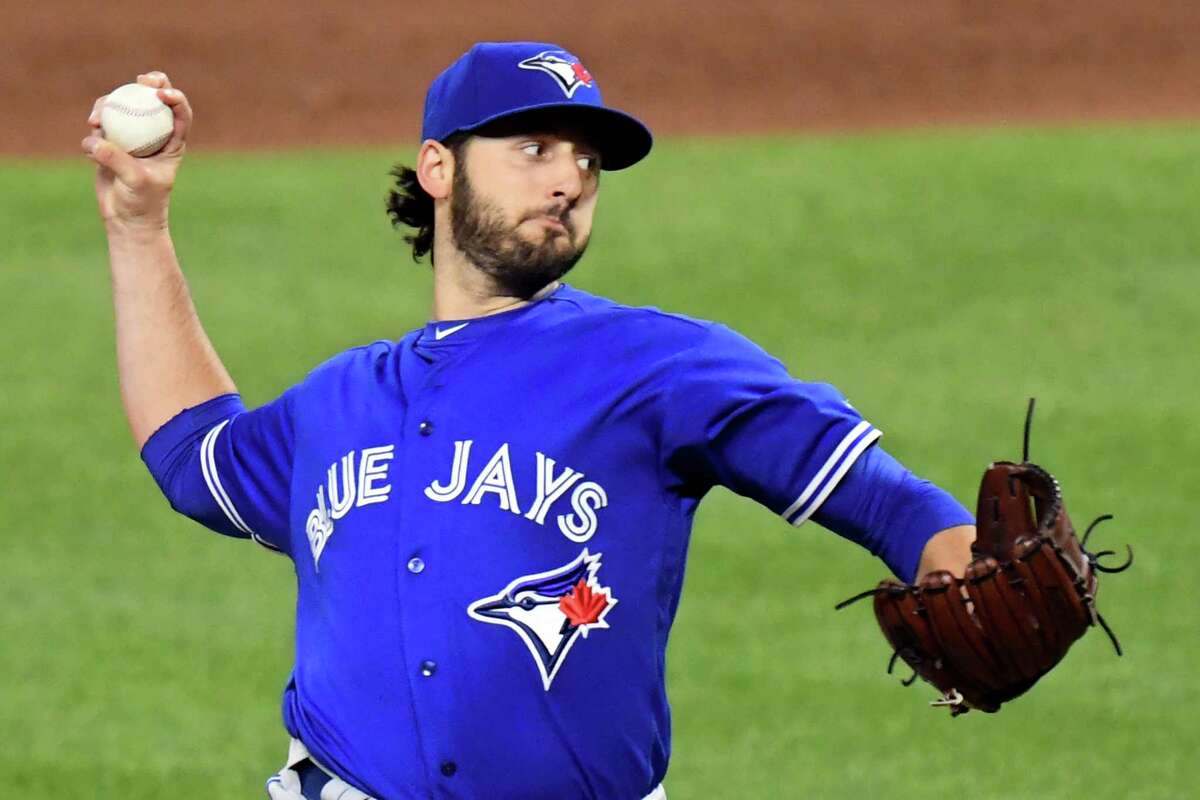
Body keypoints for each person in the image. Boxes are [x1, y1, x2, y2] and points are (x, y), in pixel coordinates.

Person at [83, 41, 975, 800]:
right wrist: (137, 223)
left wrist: (958, 557)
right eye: (535, 147)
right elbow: (192, 456)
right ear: (440, 166)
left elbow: (887, 502)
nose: (568, 180)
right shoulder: (340, 400)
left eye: (586, 161)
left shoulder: (660, 366)